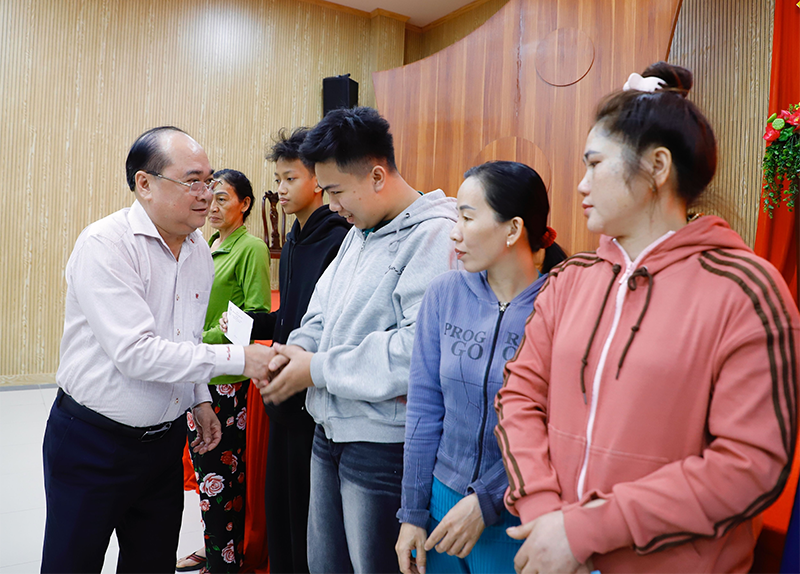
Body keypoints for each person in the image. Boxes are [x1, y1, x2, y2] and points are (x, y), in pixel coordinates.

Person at [495, 62, 800, 574]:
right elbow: (519, 397)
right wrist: (546, 518)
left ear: (658, 166)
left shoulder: (746, 290)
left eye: (595, 164)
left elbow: (749, 467)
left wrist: (585, 530)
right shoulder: (570, 280)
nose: (581, 185)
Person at [41, 126, 273, 574]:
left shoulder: (199, 250)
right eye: (192, 181)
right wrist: (241, 358)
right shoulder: (106, 245)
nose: (206, 193)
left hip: (164, 444)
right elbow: (137, 352)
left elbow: (186, 338)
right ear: (144, 183)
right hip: (93, 443)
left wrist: (200, 399)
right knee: (72, 562)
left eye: (209, 181)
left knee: (151, 562)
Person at [251, 106, 458, 574]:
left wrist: (316, 369)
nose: (331, 205)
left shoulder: (435, 237)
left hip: (380, 443)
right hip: (328, 427)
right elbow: (320, 311)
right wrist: (298, 350)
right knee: (324, 564)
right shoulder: (359, 232)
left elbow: (417, 351)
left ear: (377, 176)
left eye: (336, 191)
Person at [396, 161, 567, 574]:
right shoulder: (444, 293)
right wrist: (412, 513)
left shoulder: (560, 306)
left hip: (517, 516)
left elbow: (557, 427)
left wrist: (487, 500)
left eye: (467, 218)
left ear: (513, 229)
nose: (454, 232)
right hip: (439, 510)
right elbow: (423, 410)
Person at [252, 127, 350, 574]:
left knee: (310, 521)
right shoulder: (293, 237)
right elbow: (291, 315)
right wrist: (254, 323)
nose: (281, 188)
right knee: (282, 509)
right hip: (282, 394)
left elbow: (329, 328)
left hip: (313, 400)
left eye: (290, 178)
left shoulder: (338, 240)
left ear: (318, 181)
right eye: (278, 179)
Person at [177, 169, 271, 574]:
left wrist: (203, 338)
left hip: (226, 380)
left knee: (223, 480)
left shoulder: (251, 248)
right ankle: (214, 550)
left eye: (223, 198)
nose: (212, 206)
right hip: (196, 372)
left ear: (245, 204)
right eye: (209, 197)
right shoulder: (204, 244)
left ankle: (224, 563)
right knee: (205, 477)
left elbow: (254, 315)